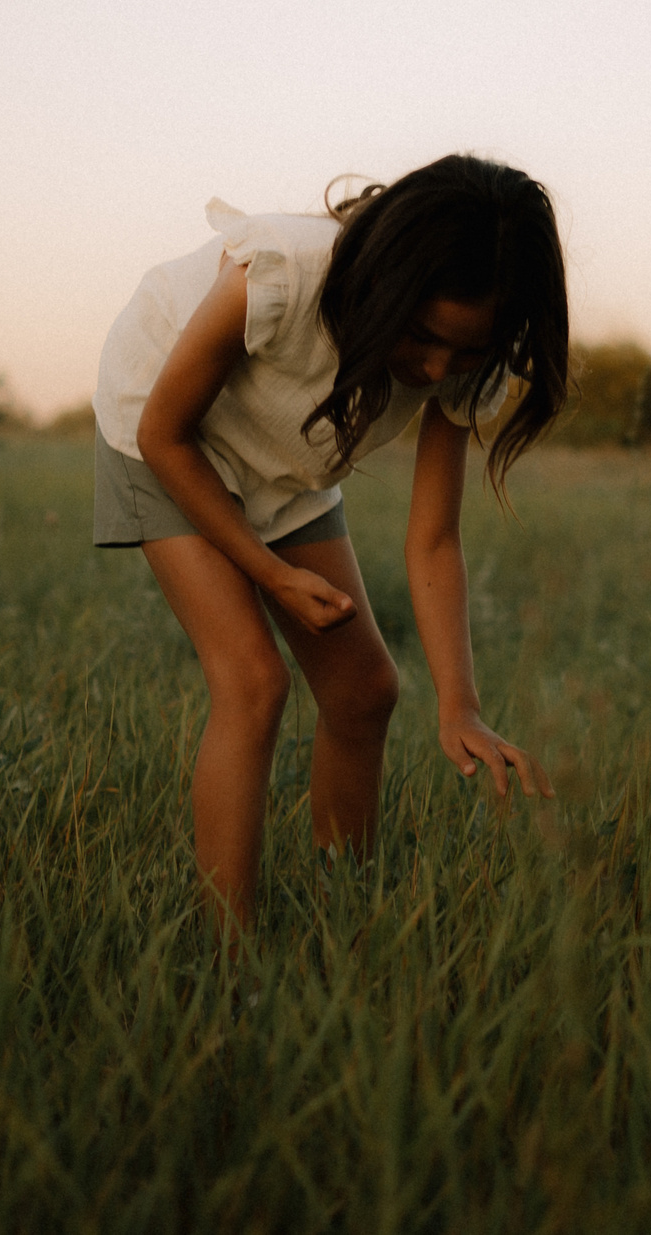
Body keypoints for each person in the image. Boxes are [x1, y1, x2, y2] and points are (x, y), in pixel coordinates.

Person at [92, 154, 566, 934]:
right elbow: (165, 434)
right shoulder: (282, 273)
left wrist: (461, 703)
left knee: (364, 690)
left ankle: (340, 914)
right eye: (421, 337)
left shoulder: (466, 358)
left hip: (284, 460)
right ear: (385, 283)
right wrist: (271, 574)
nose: (438, 367)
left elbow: (435, 539)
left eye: (467, 350)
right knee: (252, 680)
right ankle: (228, 954)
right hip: (164, 428)